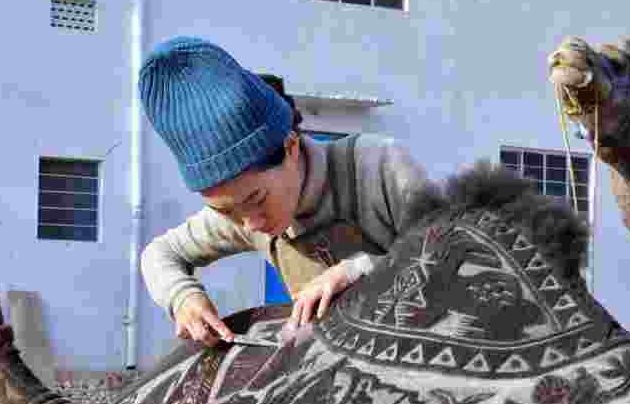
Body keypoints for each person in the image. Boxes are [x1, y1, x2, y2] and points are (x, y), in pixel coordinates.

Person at [138, 36, 438, 346]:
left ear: (291, 146)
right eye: (225, 211)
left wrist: (360, 270)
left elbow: (457, 257)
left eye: (257, 199)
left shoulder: (379, 166)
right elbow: (159, 254)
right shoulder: (241, 214)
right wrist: (182, 297)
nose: (250, 224)